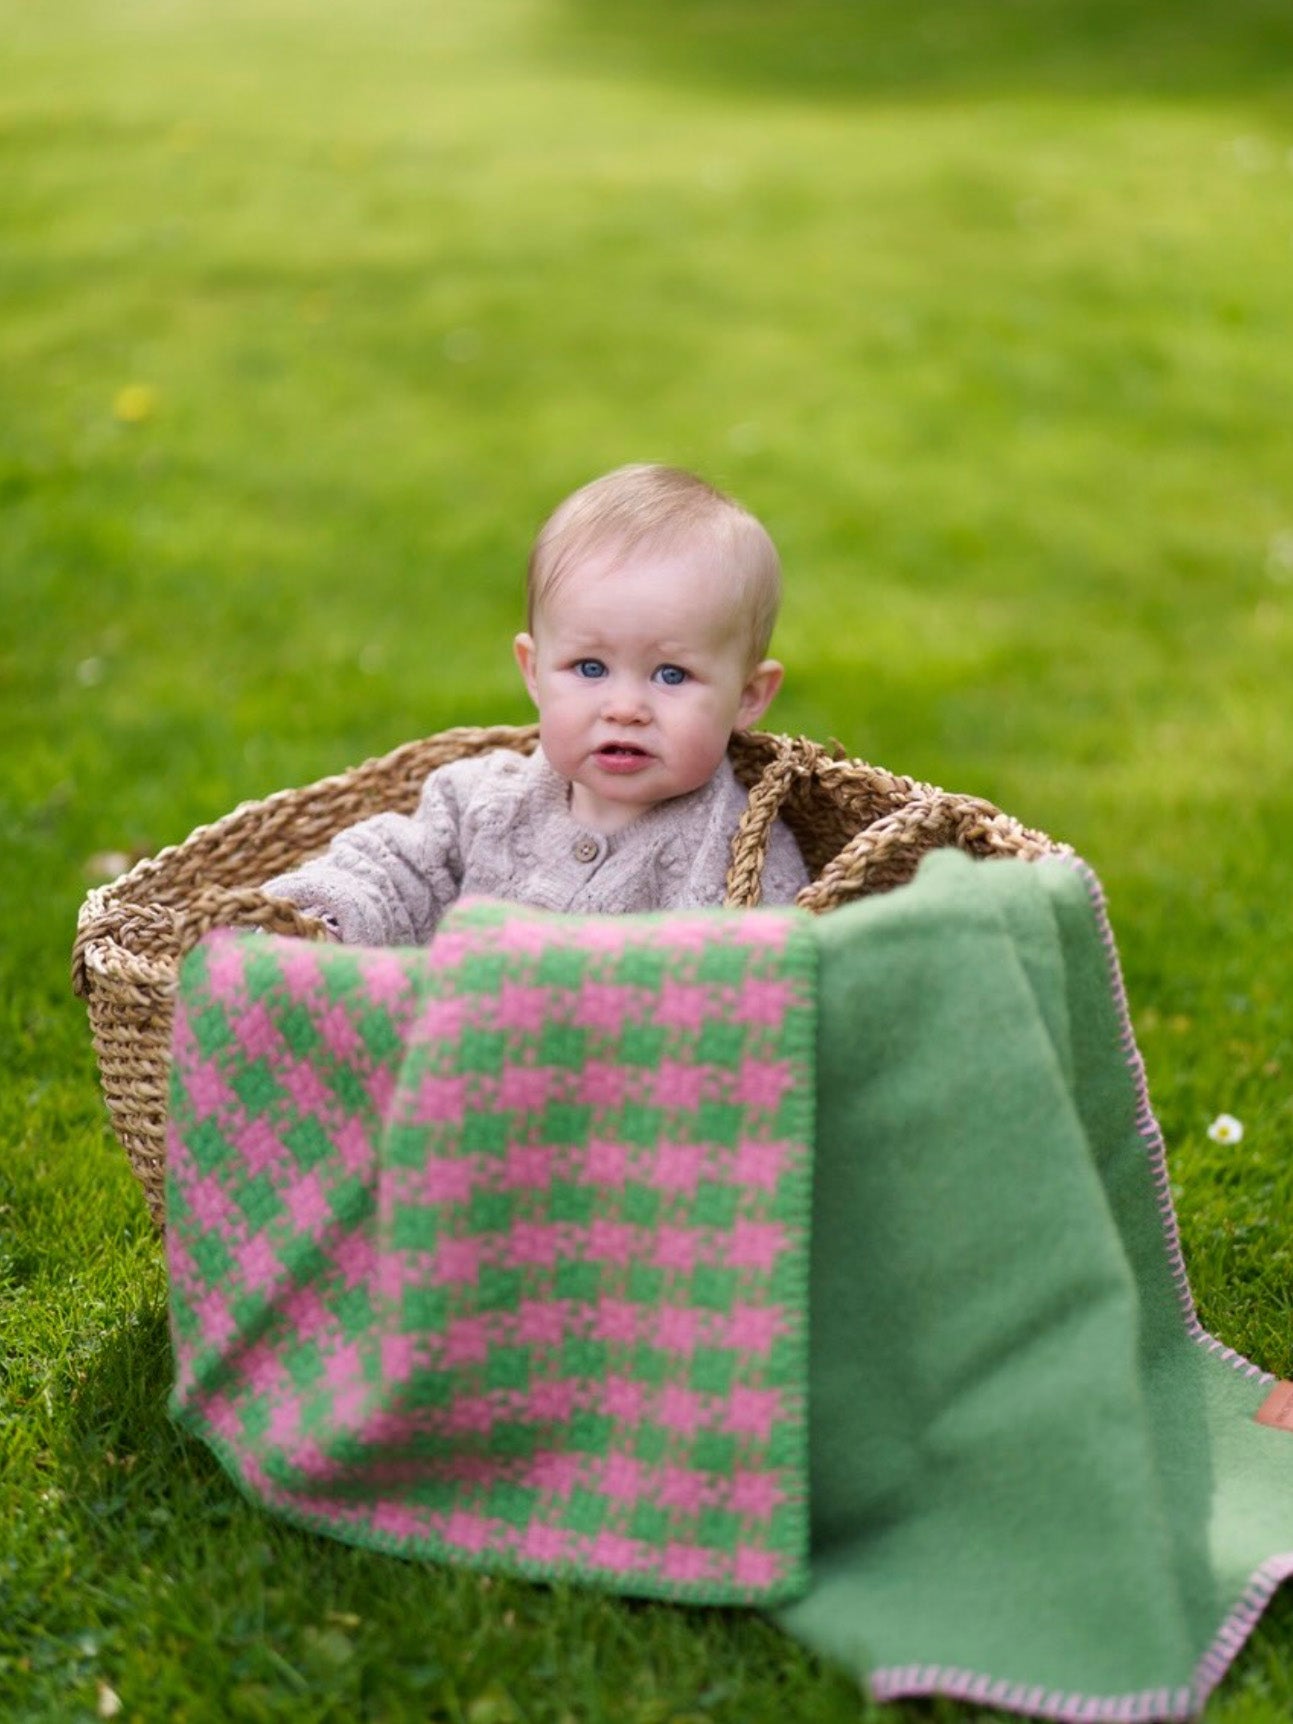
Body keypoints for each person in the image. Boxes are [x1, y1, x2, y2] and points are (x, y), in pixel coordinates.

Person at [261, 464, 810, 943]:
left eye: (672, 674)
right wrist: (324, 919)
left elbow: (759, 984)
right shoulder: (482, 801)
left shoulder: (742, 858)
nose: (624, 708)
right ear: (534, 671)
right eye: (590, 668)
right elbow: (393, 867)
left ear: (748, 697)